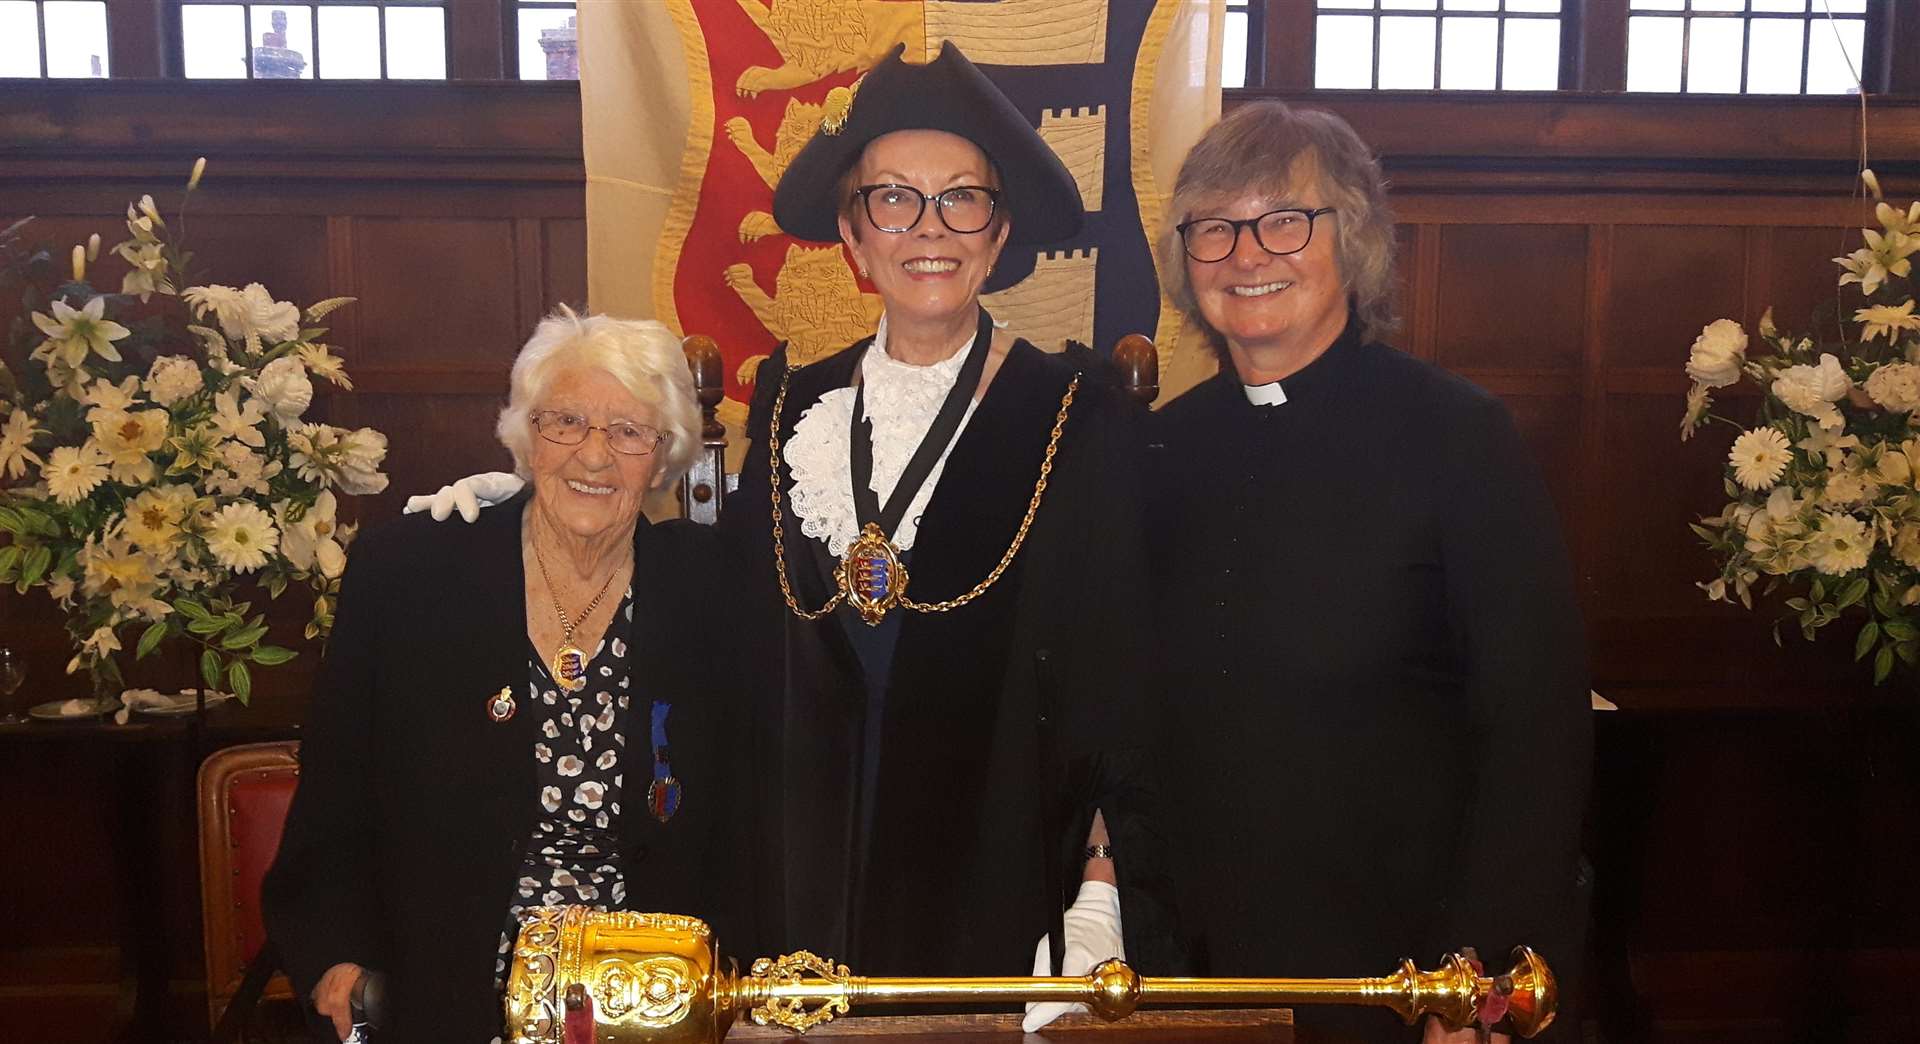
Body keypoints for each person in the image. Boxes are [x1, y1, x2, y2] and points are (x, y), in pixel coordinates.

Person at [1146, 101, 1593, 1043]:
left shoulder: (1458, 437)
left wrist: (1471, 978)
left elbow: (1535, 730)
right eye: (1214, 229)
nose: (1244, 253)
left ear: (1351, 240)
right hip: (1196, 971)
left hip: (1399, 971)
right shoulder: (1156, 452)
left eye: (1283, 221)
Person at [263, 309, 741, 1043]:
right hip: (444, 991)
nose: (593, 456)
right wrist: (336, 959)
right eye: (567, 421)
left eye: (628, 432)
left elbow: (749, 817)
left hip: (650, 999)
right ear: (526, 432)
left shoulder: (711, 593)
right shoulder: (411, 573)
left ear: (665, 454)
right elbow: (335, 795)